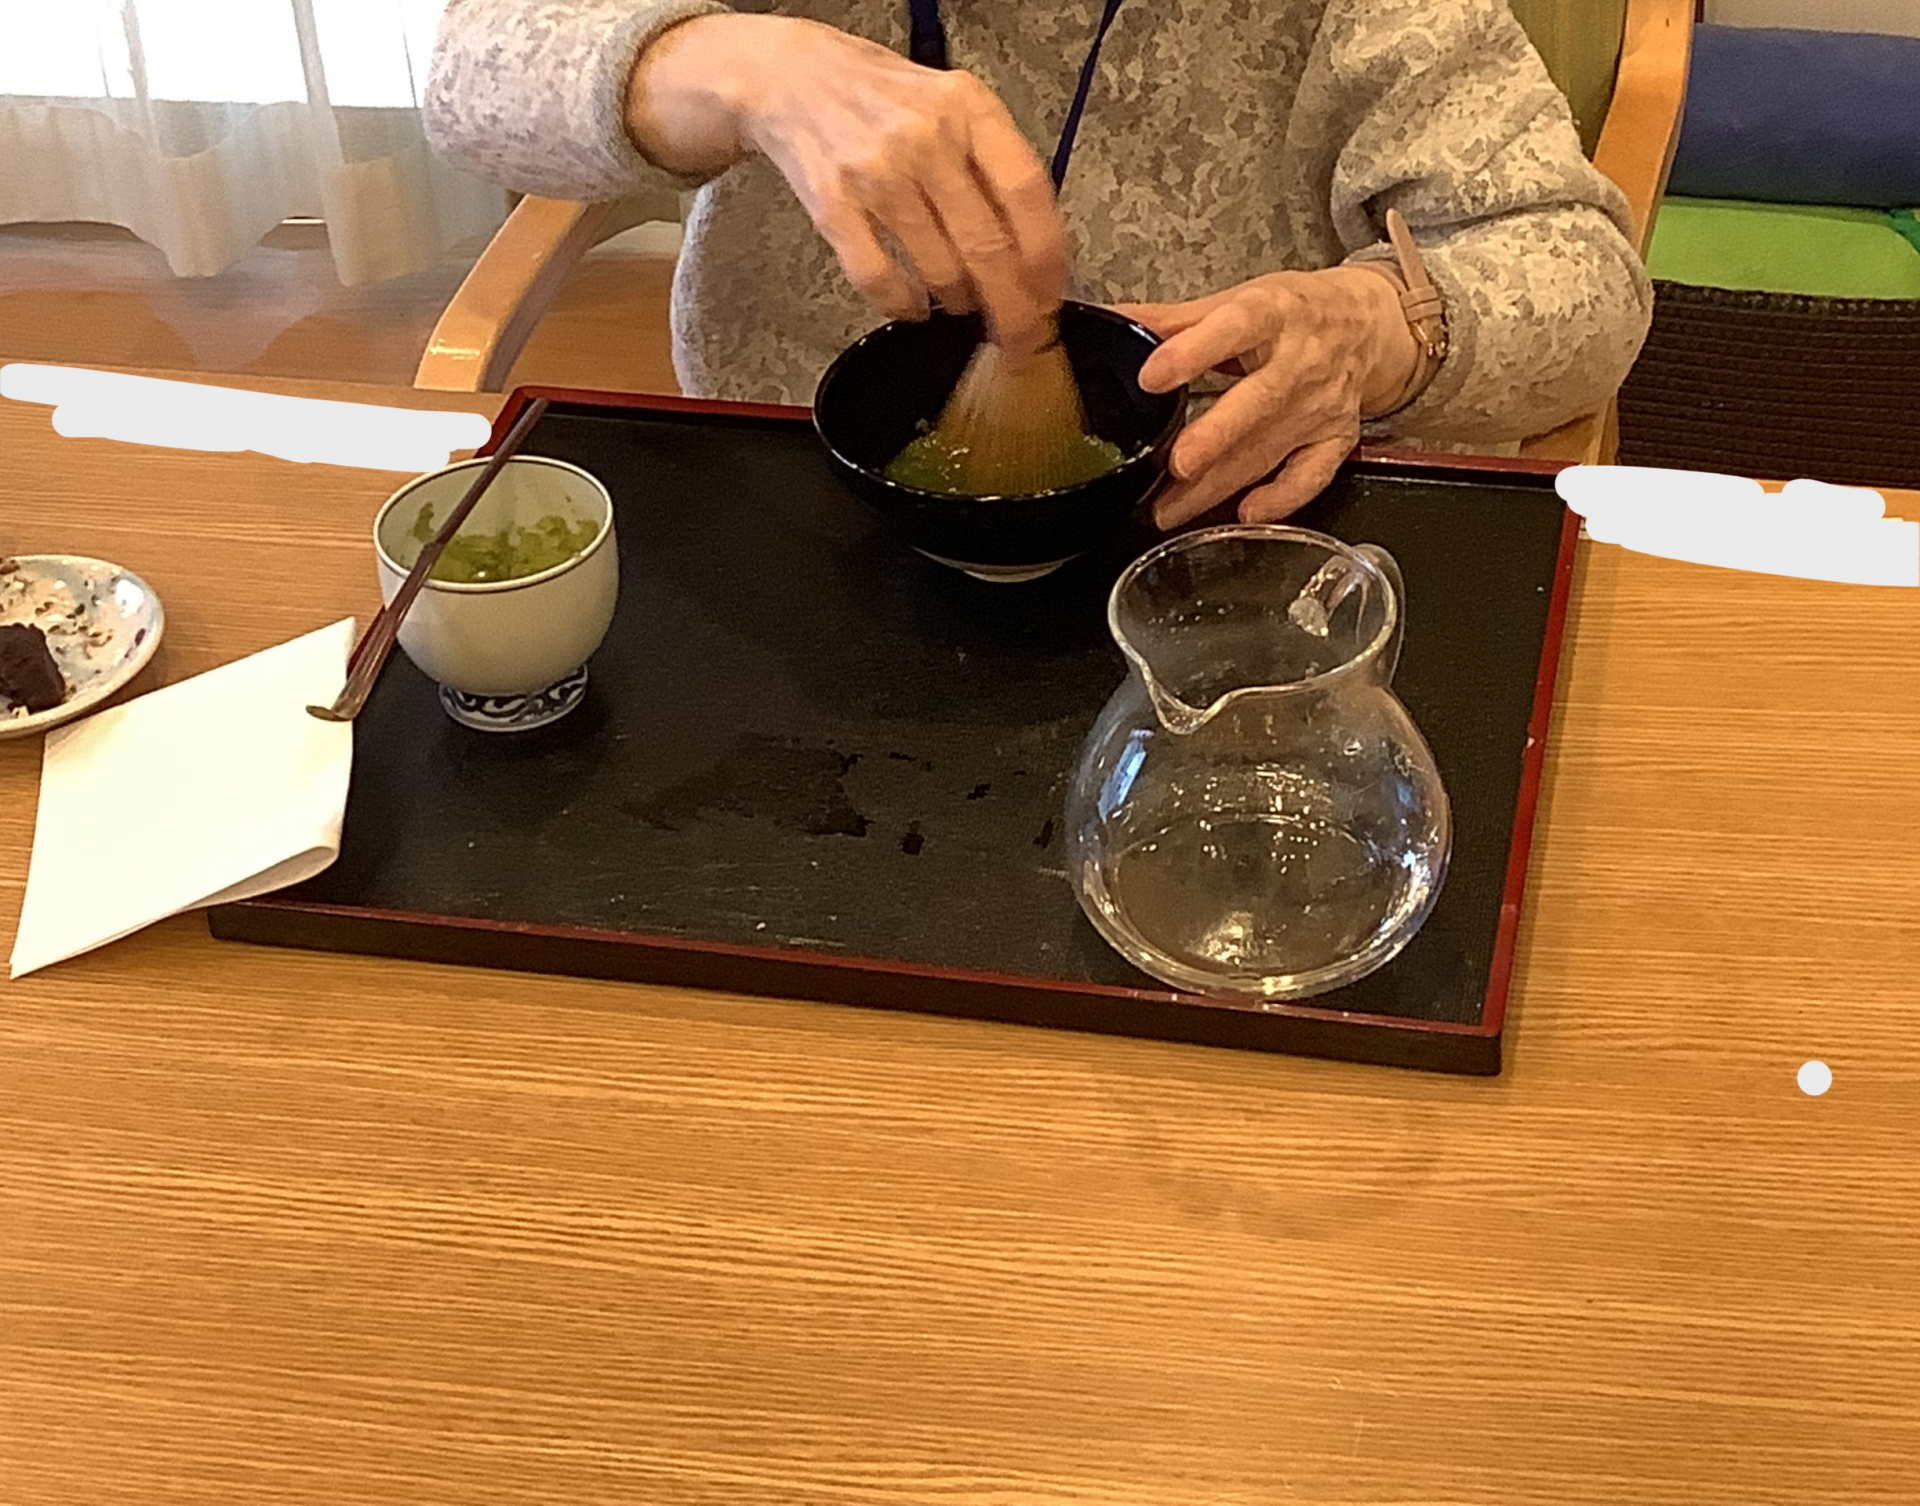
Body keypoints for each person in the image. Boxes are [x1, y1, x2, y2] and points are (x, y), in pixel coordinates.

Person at [424, 0, 1652, 526]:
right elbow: (474, 74)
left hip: (1216, 533)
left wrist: (1371, 328)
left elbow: (1584, 279)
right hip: (789, 508)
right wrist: (725, 64)